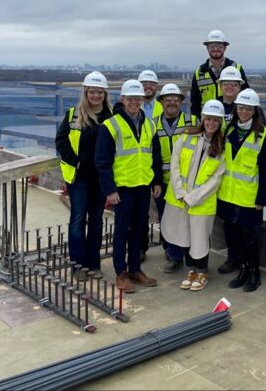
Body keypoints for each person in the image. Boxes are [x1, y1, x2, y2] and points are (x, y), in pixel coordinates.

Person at [95, 79, 164, 294]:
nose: (135, 102)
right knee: (121, 232)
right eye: (130, 98)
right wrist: (110, 190)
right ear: (122, 100)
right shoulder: (111, 125)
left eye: (138, 98)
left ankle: (135, 269)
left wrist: (157, 181)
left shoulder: (150, 124)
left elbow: (155, 156)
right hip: (122, 188)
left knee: (139, 230)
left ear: (143, 100)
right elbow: (102, 161)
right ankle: (121, 273)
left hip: (143, 186)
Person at [161, 99, 227, 292]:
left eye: (216, 120)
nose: (211, 123)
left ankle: (202, 272)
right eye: (208, 119)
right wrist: (181, 191)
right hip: (180, 198)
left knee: (199, 239)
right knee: (183, 237)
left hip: (202, 202)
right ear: (203, 119)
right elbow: (174, 164)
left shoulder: (222, 146)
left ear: (220, 122)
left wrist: (194, 197)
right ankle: (190, 270)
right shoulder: (187, 136)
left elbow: (216, 179)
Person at [55, 71, 113, 280]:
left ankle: (93, 264)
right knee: (78, 219)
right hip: (79, 178)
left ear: (104, 94)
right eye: (92, 92)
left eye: (100, 92)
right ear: (86, 93)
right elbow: (61, 141)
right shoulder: (73, 114)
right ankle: (78, 265)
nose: (96, 96)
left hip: (100, 178)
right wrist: (76, 161)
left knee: (96, 220)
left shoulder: (111, 117)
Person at [218, 89, 266, 292]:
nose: (244, 112)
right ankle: (242, 269)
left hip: (249, 197)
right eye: (240, 107)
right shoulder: (229, 130)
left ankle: (254, 273)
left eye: (248, 108)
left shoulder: (263, 135)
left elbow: (264, 170)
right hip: (229, 194)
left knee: (250, 238)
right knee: (233, 234)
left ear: (254, 111)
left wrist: (261, 198)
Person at [154, 83, 197, 273]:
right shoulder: (152, 124)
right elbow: (150, 155)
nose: (172, 103)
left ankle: (191, 255)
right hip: (162, 182)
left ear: (181, 102)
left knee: (188, 219)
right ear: (161, 102)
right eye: (168, 99)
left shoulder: (192, 122)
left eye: (176, 99)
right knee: (167, 219)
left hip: (186, 181)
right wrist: (155, 181)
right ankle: (174, 255)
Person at [190, 30, 248, 118]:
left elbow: (245, 95)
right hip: (209, 122)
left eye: (219, 46)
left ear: (225, 48)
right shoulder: (200, 72)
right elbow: (195, 102)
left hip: (232, 119)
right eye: (212, 46)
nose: (215, 49)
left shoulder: (236, 69)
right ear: (207, 48)